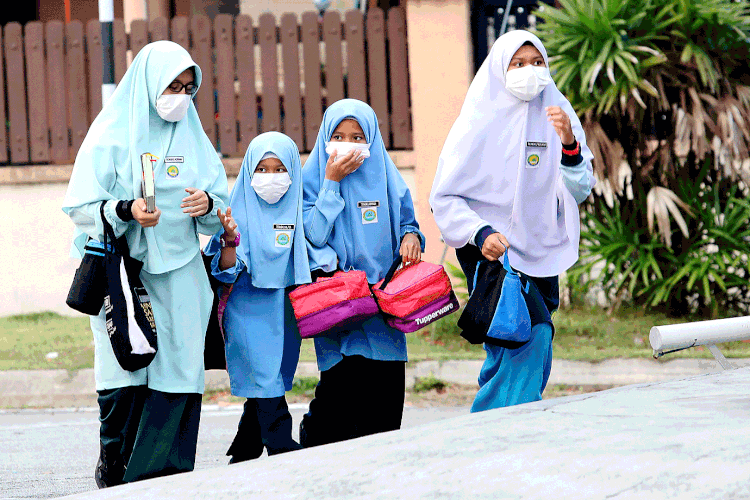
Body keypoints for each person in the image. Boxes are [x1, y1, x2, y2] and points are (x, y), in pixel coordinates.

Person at [62, 41, 228, 486]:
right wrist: (126, 210)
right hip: (120, 272)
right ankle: (115, 469)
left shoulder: (194, 137)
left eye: (188, 88)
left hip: (180, 272)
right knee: (123, 364)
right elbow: (79, 205)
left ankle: (165, 476)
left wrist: (207, 203)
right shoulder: (109, 135)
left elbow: (222, 209)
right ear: (148, 83)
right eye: (172, 85)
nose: (180, 96)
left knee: (180, 366)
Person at [429, 30, 595, 412]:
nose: (529, 72)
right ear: (500, 69)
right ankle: (512, 425)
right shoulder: (477, 121)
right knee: (533, 334)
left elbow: (580, 188)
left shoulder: (559, 113)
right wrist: (479, 232)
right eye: (518, 64)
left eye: (537, 63)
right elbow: (444, 197)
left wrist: (569, 146)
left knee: (512, 341)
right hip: (490, 252)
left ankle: (492, 421)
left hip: (540, 247)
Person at [299, 99, 425, 447]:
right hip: (338, 305)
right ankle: (314, 447)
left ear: (371, 139)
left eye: (357, 137)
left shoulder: (386, 176)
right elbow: (313, 233)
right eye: (338, 136)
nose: (348, 144)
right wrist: (331, 182)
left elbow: (407, 222)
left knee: (385, 405)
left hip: (383, 305)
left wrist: (412, 237)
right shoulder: (312, 181)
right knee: (339, 396)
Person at [204, 132, 309, 463]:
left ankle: (246, 446)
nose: (271, 178)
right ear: (249, 171)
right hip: (247, 307)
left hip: (285, 310)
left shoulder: (298, 209)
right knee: (264, 375)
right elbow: (225, 272)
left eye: (280, 169)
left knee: (271, 374)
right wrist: (230, 241)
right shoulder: (239, 211)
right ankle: (281, 443)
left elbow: (316, 243)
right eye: (262, 169)